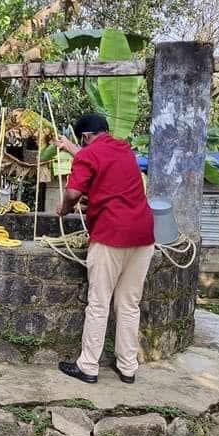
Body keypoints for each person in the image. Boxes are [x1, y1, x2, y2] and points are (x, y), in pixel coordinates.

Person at [53, 113, 154, 385]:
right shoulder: (124, 149)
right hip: (143, 236)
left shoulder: (88, 155)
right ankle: (128, 368)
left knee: (99, 303)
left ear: (85, 136)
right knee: (129, 304)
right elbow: (97, 157)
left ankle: (88, 367)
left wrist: (64, 209)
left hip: (110, 236)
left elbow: (73, 193)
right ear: (105, 131)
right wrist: (70, 148)